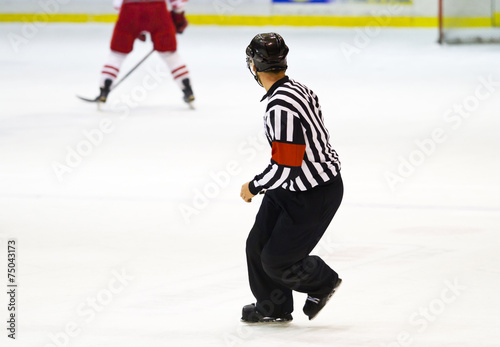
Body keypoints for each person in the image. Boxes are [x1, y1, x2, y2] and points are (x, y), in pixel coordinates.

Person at [240, 33, 344, 323]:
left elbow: (286, 165)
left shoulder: (280, 107)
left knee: (277, 261)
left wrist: (253, 186)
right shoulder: (299, 89)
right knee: (257, 245)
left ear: (253, 67)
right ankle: (272, 307)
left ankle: (322, 282)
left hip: (315, 193)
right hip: (292, 186)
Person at [96, 0, 194, 105]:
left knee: (117, 54)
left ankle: (104, 89)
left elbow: (117, 4)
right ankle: (187, 88)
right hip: (158, 10)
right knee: (170, 55)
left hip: (129, 10)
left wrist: (132, 21)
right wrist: (178, 17)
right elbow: (178, 2)